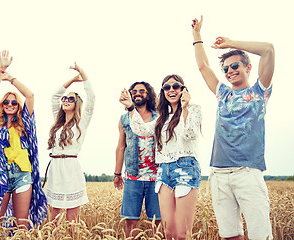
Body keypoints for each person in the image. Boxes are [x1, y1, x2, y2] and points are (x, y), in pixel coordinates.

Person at [192, 16, 275, 240]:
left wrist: (231, 44)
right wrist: (196, 35)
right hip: (218, 172)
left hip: (248, 172)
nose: (229, 71)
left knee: (261, 235)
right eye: (226, 68)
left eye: (235, 65)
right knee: (230, 235)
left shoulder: (260, 92)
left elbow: (268, 49)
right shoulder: (223, 94)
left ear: (248, 67)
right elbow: (203, 66)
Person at [119, 75, 202, 240]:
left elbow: (190, 134)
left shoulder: (194, 109)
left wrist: (185, 107)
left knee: (182, 233)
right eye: (166, 87)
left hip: (185, 168)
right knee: (168, 232)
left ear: (183, 89)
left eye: (176, 86)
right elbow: (140, 130)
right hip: (163, 171)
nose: (171, 90)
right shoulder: (162, 118)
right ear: (162, 92)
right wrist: (130, 108)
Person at [0, 50, 47, 229]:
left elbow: (30, 95)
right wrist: (0, 71)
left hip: (23, 175)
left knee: (22, 224)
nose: (10, 105)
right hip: (0, 174)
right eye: (6, 102)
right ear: (2, 106)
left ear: (18, 106)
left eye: (14, 102)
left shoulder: (25, 124)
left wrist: (11, 78)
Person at [44, 62, 95, 224]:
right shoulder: (57, 122)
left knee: (72, 219)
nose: (65, 100)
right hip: (55, 168)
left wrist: (82, 72)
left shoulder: (82, 122)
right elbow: (54, 97)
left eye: (70, 98)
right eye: (65, 98)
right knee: (54, 217)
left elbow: (91, 98)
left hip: (72, 168)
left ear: (76, 103)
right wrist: (71, 81)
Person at [114, 81, 161, 238]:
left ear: (148, 94)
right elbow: (121, 147)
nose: (137, 94)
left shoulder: (159, 116)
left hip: (157, 176)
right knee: (130, 221)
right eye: (134, 91)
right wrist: (117, 173)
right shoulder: (124, 119)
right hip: (133, 176)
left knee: (157, 221)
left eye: (142, 91)